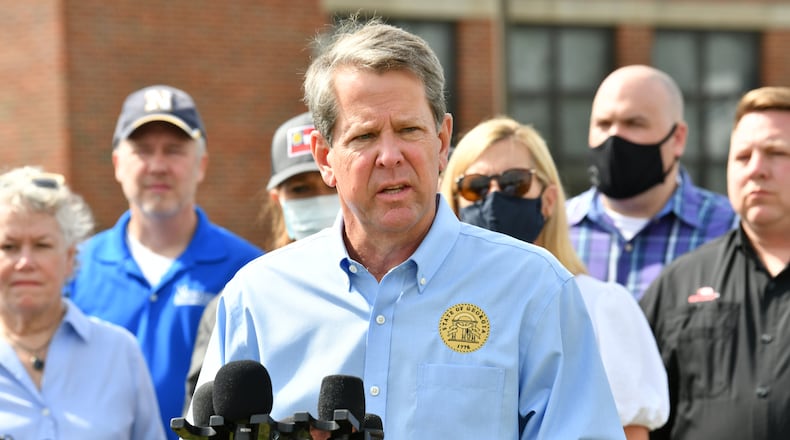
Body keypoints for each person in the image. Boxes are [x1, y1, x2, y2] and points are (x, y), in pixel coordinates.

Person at [193, 18, 624, 439]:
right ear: (325, 157)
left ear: (442, 143)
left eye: (408, 130)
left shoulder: (534, 290)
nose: (390, 155)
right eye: (364, 136)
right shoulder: (255, 298)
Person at [439, 116, 669, 440]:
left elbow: (629, 432)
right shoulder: (432, 305)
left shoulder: (600, 306)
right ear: (455, 203)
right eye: (474, 187)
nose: (493, 199)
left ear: (547, 200)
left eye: (513, 183)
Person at [67, 85, 263, 438]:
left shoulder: (249, 271)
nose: (158, 166)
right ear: (117, 164)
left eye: (174, 151)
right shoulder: (74, 270)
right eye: (142, 151)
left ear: (201, 164)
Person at [639, 86, 790, 439]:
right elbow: (639, 415)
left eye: (776, 153)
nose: (756, 170)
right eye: (742, 157)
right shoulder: (679, 283)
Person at [182, 111, 339, 412]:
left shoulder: (384, 290)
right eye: (300, 189)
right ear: (277, 199)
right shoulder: (243, 300)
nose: (319, 198)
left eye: (329, 185)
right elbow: (201, 418)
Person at [0, 166, 165, 439]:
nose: (25, 262)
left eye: (42, 245)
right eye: (8, 247)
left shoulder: (119, 352)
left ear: (69, 259)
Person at [566, 65, 738, 300]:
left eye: (634, 123)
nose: (614, 137)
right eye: (603, 124)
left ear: (677, 138)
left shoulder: (730, 231)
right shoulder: (554, 232)